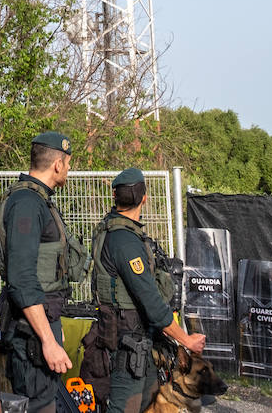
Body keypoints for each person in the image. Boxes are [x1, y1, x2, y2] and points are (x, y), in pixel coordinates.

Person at [82, 168, 206, 413]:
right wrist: (186, 340)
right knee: (125, 406)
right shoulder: (124, 240)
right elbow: (151, 302)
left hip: (134, 339)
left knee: (151, 405)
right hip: (128, 342)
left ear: (115, 198)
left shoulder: (114, 230)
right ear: (145, 198)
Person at [0, 131, 87, 413]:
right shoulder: (28, 204)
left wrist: (53, 330)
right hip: (29, 333)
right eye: (68, 163)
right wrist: (47, 339)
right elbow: (21, 279)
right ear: (58, 164)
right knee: (38, 405)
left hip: (39, 324)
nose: (69, 169)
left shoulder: (36, 200)